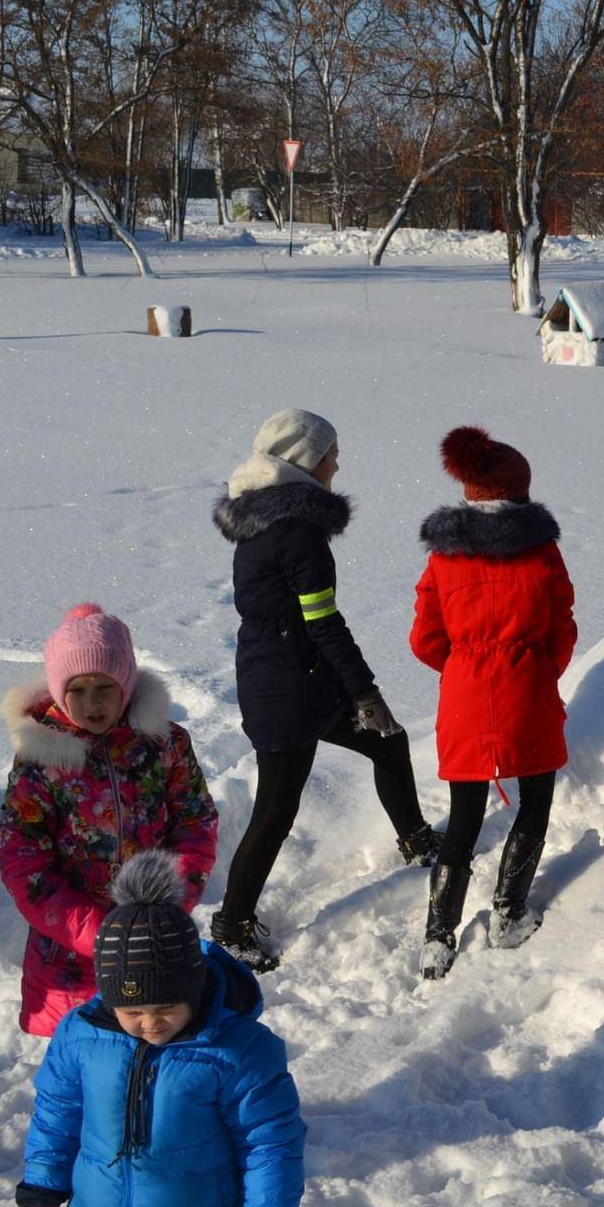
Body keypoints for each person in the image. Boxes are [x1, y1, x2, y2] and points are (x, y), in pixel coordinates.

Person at [211, 408, 438, 973]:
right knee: (277, 808)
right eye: (331, 452)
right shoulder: (295, 531)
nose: (338, 462)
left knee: (387, 743)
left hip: (295, 679)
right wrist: (365, 691)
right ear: (306, 460)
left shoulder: (267, 522)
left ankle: (417, 842)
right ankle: (230, 926)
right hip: (287, 691)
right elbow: (323, 621)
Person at [16, 849, 306, 1207]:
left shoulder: (239, 1051)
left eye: (167, 1007)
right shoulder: (82, 1036)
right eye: (131, 1010)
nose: (150, 1022)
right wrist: (44, 1182)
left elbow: (269, 1139)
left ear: (194, 989)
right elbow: (58, 1111)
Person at [0, 604, 220, 1037]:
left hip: (154, 935)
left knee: (155, 1039)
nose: (92, 702)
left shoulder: (164, 744)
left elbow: (195, 820)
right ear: (60, 691)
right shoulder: (41, 758)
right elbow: (21, 855)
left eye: (105, 686)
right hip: (70, 949)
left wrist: (174, 900)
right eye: (77, 689)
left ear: (128, 684)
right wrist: (92, 930)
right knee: (83, 1053)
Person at [410, 426, 577, 980]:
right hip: (527, 690)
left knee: (462, 819)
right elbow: (562, 627)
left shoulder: (443, 560)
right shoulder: (542, 553)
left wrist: (462, 670)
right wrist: (535, 670)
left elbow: (423, 640)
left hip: (462, 698)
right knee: (534, 802)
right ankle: (508, 912)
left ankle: (438, 936)